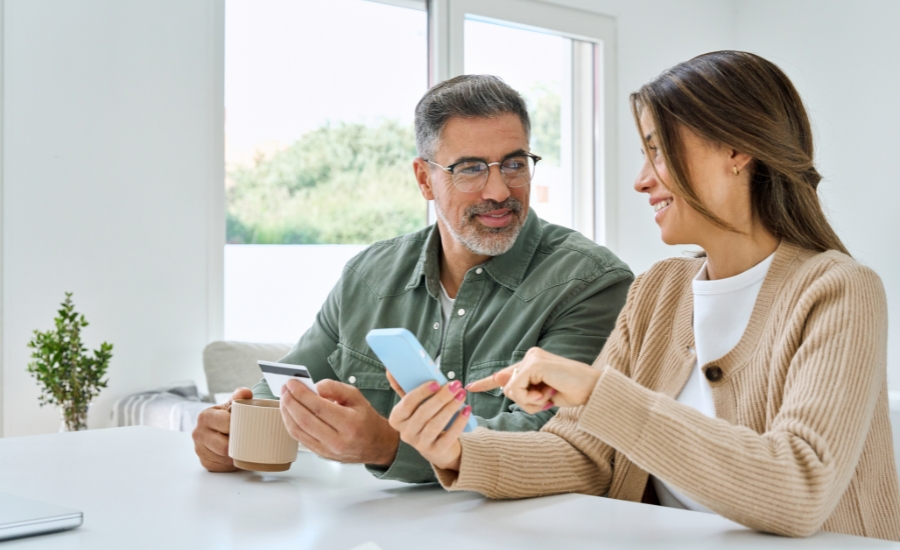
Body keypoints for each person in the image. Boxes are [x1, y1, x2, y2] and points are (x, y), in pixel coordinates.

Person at [388, 51, 900, 540]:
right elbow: (587, 456)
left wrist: (597, 392)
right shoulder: (660, 290)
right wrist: (460, 450)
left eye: (657, 150)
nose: (641, 180)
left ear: (736, 150)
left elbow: (798, 488)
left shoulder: (840, 290)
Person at [192, 75, 633, 483]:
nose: (499, 191)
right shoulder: (368, 276)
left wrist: (388, 444)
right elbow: (285, 388)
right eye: (471, 169)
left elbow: (557, 440)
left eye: (514, 164)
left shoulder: (591, 282)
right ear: (425, 179)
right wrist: (231, 433)